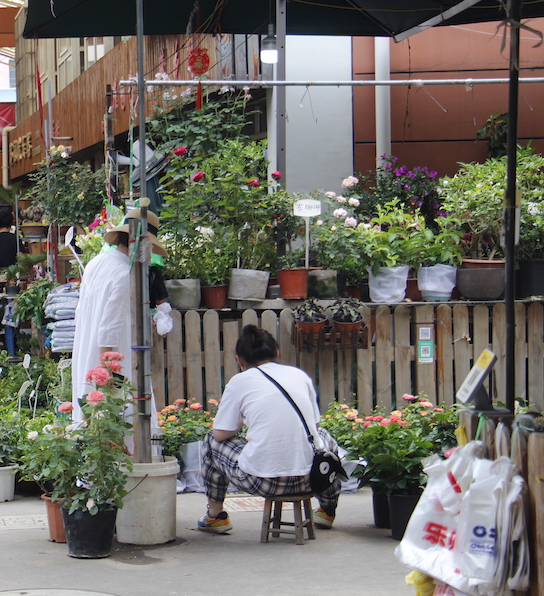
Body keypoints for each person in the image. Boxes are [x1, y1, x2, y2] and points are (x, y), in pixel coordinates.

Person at [197, 324, 341, 534]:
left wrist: (242, 421)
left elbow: (220, 434)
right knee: (324, 437)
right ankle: (328, 510)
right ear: (277, 353)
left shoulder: (239, 382)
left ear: (239, 360)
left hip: (262, 482)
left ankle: (215, 516)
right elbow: (314, 426)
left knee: (211, 440)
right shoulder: (298, 375)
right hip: (312, 479)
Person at [71, 208, 165, 423]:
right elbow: (109, 328)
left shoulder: (96, 263)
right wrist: (109, 373)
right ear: (141, 243)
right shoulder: (124, 274)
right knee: (122, 423)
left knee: (93, 424)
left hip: (88, 353)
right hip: (114, 358)